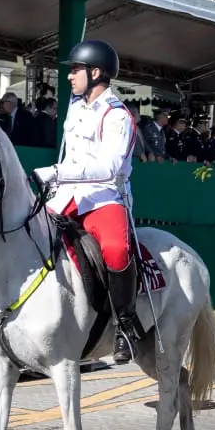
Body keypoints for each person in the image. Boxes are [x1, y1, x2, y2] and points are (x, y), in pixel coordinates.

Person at [31, 40, 141, 364]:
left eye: (76, 70)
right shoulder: (75, 108)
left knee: (117, 250)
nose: (70, 76)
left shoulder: (117, 114)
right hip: (66, 197)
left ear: (96, 73)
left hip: (103, 197)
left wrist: (56, 172)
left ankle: (126, 325)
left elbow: (109, 166)